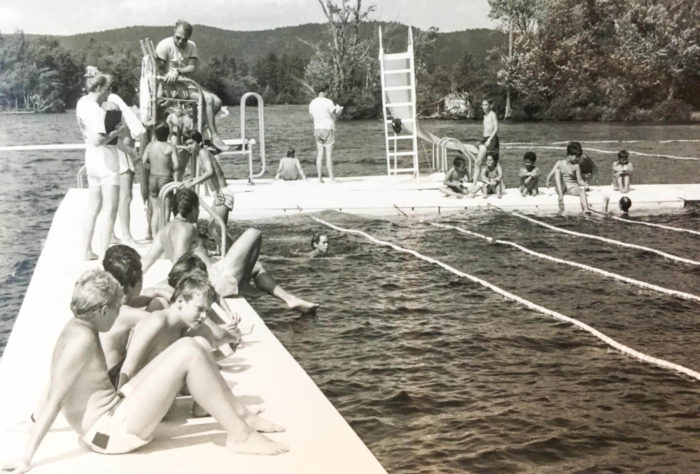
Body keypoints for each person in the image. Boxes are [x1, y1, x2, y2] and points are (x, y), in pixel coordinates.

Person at [2, 270, 286, 472]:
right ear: (102, 311)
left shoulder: (76, 328)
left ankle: (242, 416)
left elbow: (55, 386)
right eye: (115, 310)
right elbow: (55, 397)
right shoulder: (82, 341)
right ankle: (240, 435)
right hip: (108, 434)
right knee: (188, 351)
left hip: (114, 413)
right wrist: (27, 456)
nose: (118, 316)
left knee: (196, 342)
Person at [141, 187, 318, 315]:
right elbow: (181, 263)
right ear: (193, 208)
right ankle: (242, 286)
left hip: (210, 274)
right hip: (213, 280)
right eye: (198, 209)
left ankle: (290, 299)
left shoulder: (164, 230)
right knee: (254, 233)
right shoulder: (186, 228)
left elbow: (146, 262)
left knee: (257, 267)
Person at [155, 20, 227, 150]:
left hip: (185, 84)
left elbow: (192, 67)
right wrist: (167, 79)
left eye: (184, 39)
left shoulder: (191, 46)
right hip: (172, 87)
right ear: (174, 30)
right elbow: (158, 72)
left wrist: (177, 71)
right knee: (209, 99)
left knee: (217, 102)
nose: (180, 42)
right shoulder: (164, 46)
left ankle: (195, 129)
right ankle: (214, 136)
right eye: (178, 38)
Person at [76, 70, 124, 260]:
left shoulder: (82, 103)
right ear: (99, 88)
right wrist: (117, 131)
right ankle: (105, 253)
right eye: (107, 89)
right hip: (106, 162)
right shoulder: (96, 110)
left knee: (93, 206)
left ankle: (87, 249)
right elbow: (99, 139)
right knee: (110, 208)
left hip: (91, 160)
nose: (109, 93)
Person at [181, 130, 232, 229]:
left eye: (191, 143)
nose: (188, 147)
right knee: (213, 229)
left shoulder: (203, 152)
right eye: (186, 144)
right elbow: (207, 174)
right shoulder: (199, 155)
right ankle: (228, 245)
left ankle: (233, 245)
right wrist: (191, 180)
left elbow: (210, 172)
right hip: (218, 195)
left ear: (199, 142)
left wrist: (194, 183)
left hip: (223, 194)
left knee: (217, 230)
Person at [142, 121, 179, 236]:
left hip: (153, 178)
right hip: (166, 178)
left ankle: (154, 236)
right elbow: (177, 165)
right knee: (166, 210)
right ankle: (164, 236)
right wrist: (171, 169)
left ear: (156, 134)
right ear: (168, 134)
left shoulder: (150, 146)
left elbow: (143, 162)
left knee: (156, 211)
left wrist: (152, 166)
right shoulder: (170, 147)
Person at [309, 84, 343, 182]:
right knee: (328, 155)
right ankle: (331, 178)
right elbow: (335, 114)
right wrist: (339, 109)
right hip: (327, 128)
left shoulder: (312, 103)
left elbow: (312, 116)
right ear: (325, 91)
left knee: (320, 153)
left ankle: (319, 178)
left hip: (317, 128)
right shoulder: (328, 102)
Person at [546, 141, 590, 215]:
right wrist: (547, 181)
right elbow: (551, 174)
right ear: (570, 155)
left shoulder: (576, 166)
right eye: (576, 156)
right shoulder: (559, 163)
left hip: (572, 188)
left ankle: (585, 209)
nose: (578, 159)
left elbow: (579, 180)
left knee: (582, 191)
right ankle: (560, 195)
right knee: (557, 171)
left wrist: (585, 184)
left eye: (579, 156)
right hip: (562, 187)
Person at [473, 98, 499, 182]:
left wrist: (490, 139)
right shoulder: (484, 116)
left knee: (494, 163)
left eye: (486, 105)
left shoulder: (492, 114)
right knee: (477, 162)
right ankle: (474, 182)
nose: (484, 107)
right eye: (483, 105)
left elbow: (496, 128)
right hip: (484, 139)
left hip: (492, 139)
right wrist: (482, 141)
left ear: (490, 105)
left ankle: (499, 181)